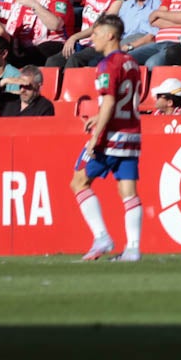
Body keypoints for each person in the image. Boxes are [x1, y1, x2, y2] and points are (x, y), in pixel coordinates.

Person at [69, 15, 143, 262]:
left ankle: (102, 237)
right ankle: (133, 248)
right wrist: (98, 116)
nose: (93, 38)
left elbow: (110, 101)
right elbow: (122, 100)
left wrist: (95, 137)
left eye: (96, 33)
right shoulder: (132, 62)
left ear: (110, 35)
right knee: (128, 191)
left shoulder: (107, 64)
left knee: (79, 181)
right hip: (132, 135)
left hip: (110, 137)